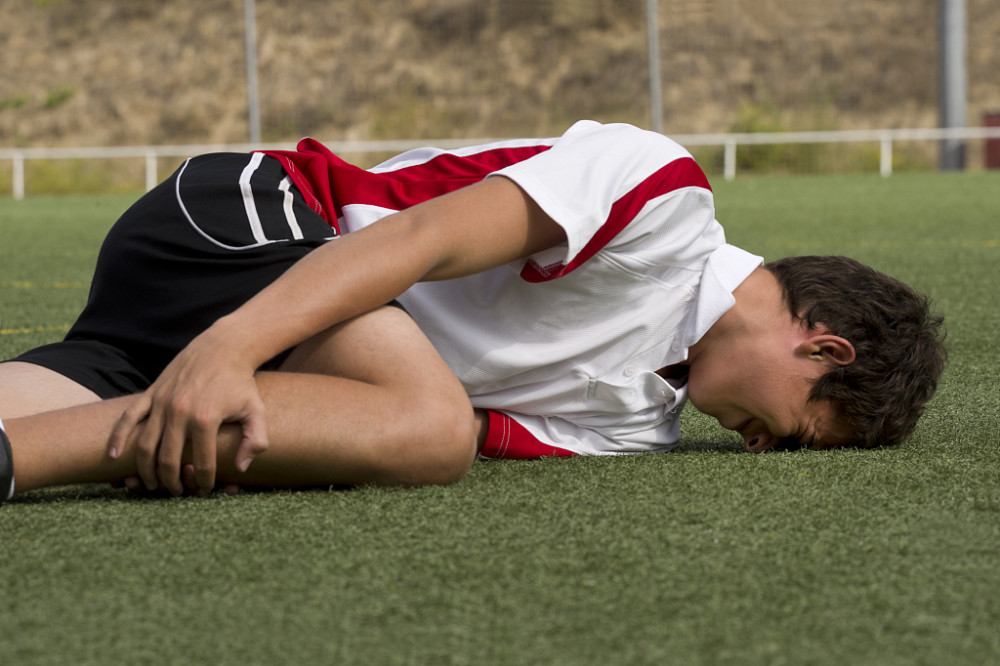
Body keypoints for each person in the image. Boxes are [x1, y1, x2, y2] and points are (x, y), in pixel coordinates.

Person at [0, 121, 946, 503]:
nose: (761, 447)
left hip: (247, 344)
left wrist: (230, 378)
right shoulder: (664, 199)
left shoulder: (637, 429)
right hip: (261, 217)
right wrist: (229, 348)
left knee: (423, 424)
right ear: (824, 346)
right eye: (796, 434)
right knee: (433, 428)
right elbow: (419, 241)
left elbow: (348, 428)